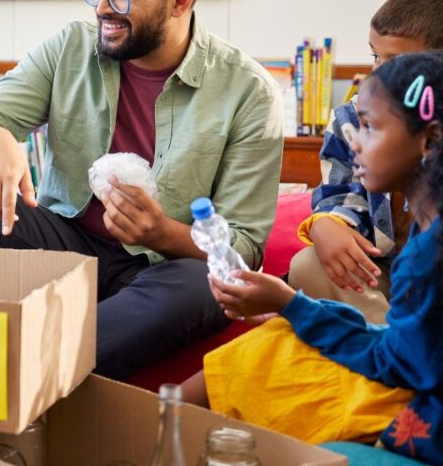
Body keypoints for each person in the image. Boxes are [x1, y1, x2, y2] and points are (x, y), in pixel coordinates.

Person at [0, 0, 283, 379]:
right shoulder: (71, 48)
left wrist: (162, 233)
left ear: (180, 0)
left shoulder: (248, 92)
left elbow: (244, 247)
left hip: (157, 270)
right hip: (62, 247)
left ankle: (16, 369)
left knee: (204, 284)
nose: (102, 7)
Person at [185, 51, 443, 462]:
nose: (354, 142)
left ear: (428, 140)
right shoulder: (427, 226)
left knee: (325, 455)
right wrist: (292, 308)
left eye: (371, 128)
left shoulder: (426, 258)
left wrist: (289, 303)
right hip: (409, 370)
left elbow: (395, 363)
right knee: (276, 339)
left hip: (427, 425)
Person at [289, 0, 443, 324]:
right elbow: (340, 192)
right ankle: (390, 343)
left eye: (397, 61)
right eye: (376, 57)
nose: (381, 73)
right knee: (308, 266)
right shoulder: (351, 117)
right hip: (382, 272)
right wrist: (326, 224)